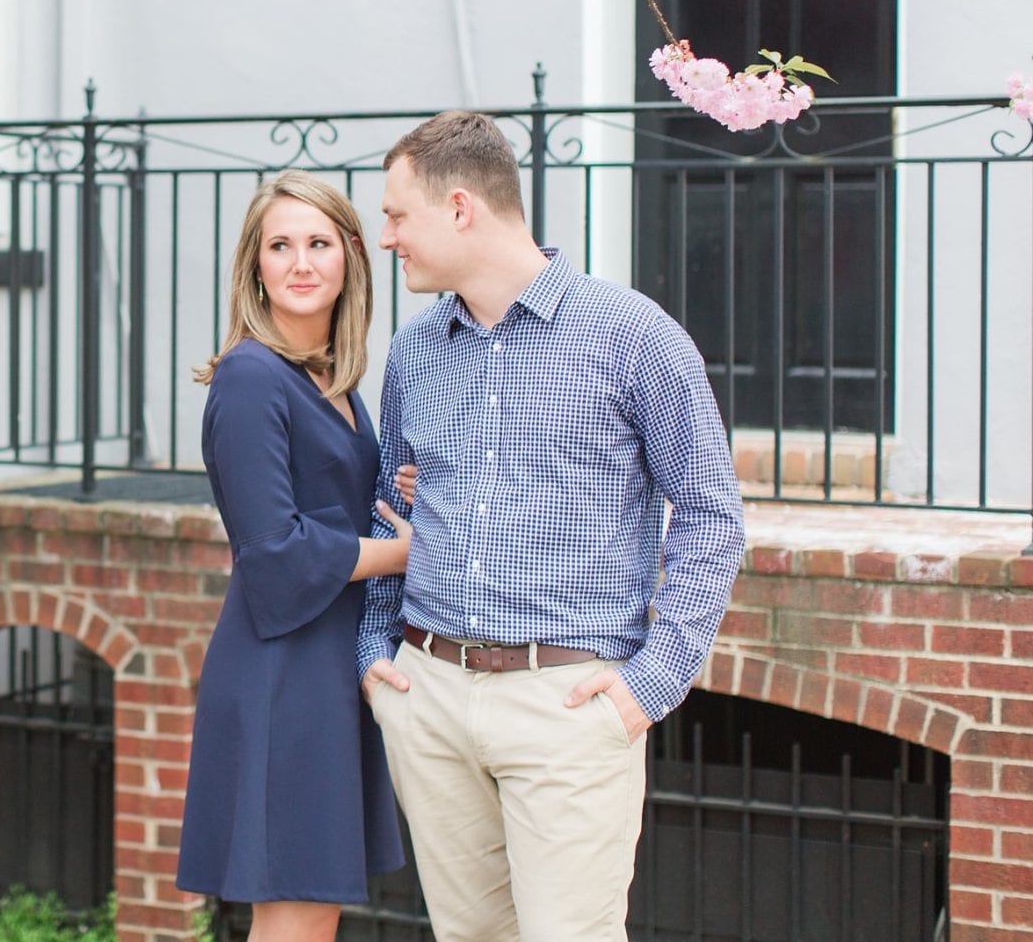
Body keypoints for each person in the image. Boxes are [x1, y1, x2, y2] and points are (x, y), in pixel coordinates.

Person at [357, 111, 746, 942]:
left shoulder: (636, 337)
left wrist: (653, 681)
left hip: (567, 701)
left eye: (397, 215)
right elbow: (389, 505)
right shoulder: (417, 352)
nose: (386, 237)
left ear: (460, 207)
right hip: (428, 690)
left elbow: (713, 514)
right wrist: (376, 652)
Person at [177, 171, 408, 942]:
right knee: (294, 914)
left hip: (326, 664)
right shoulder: (249, 377)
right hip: (281, 670)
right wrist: (407, 554)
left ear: (350, 258)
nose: (300, 261)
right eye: (280, 245)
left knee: (313, 912)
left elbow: (335, 496)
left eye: (318, 242)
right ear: (256, 265)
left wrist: (399, 481)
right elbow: (273, 551)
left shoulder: (336, 382)